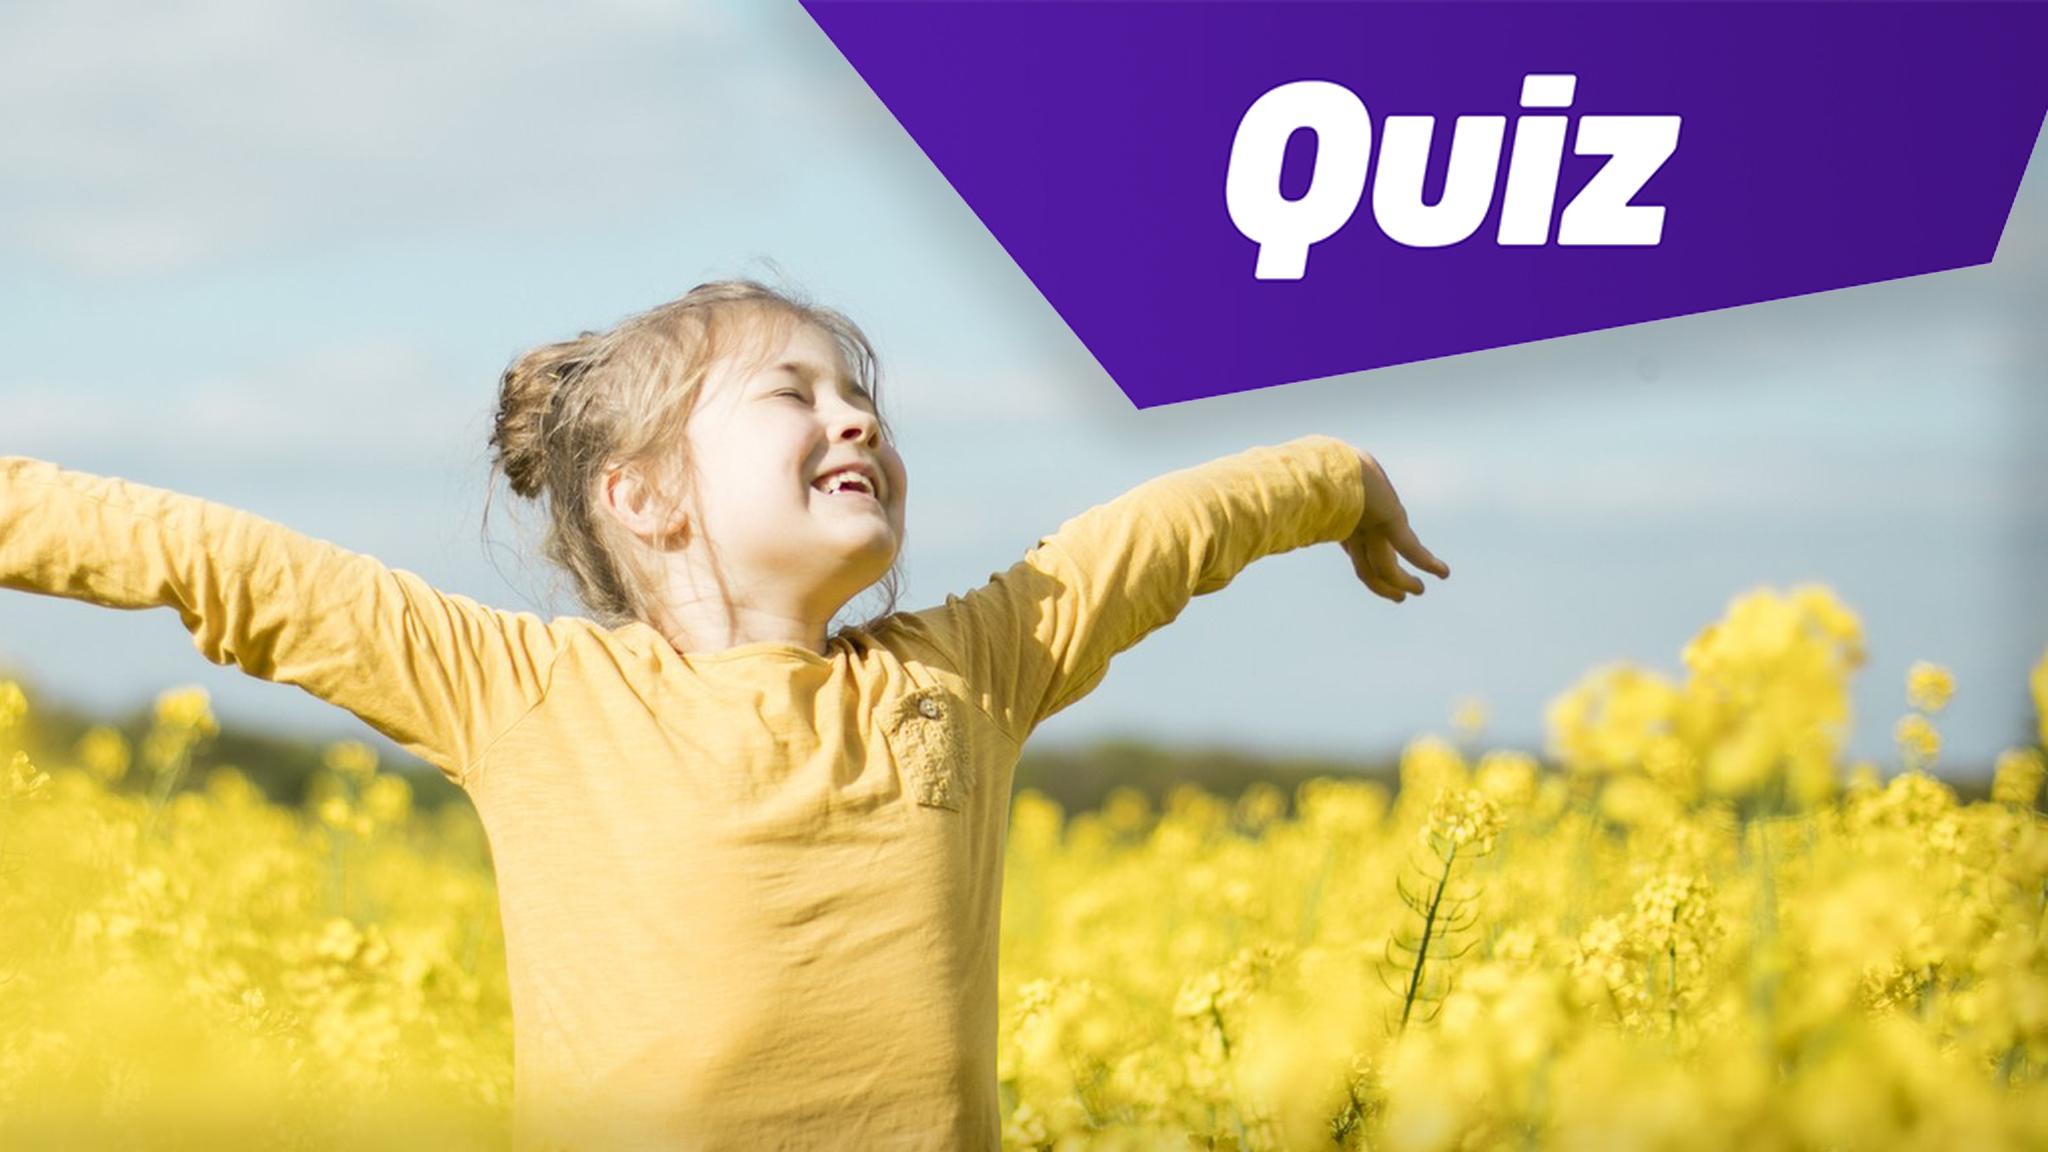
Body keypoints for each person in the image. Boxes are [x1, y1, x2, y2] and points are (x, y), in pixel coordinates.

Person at [0, 278, 1449, 1151]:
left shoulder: (967, 668)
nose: (859, 420)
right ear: (644, 495)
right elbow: (227, 566)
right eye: (794, 393)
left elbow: (1157, 536)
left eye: (864, 395)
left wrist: (1336, 476)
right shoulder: (524, 694)